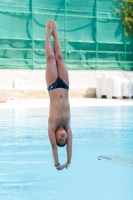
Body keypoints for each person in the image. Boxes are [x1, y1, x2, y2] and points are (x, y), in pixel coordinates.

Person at [45, 20, 72, 170]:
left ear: (55, 137)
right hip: (65, 85)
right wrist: (68, 162)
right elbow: (71, 145)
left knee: (51, 58)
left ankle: (47, 35)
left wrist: (57, 164)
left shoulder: (51, 126)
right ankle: (55, 33)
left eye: (60, 140)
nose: (63, 139)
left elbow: (54, 148)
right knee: (60, 57)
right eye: (64, 141)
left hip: (53, 86)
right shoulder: (68, 126)